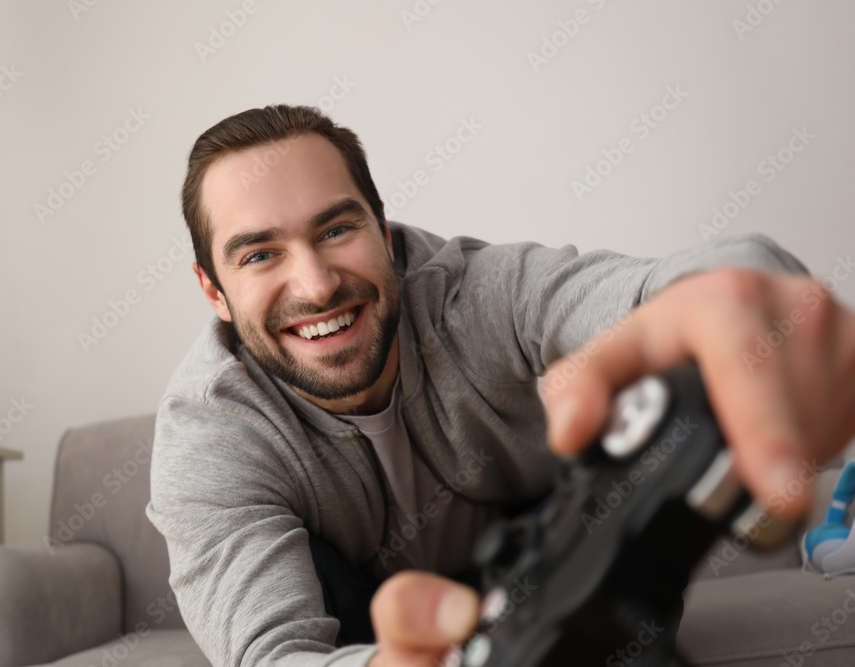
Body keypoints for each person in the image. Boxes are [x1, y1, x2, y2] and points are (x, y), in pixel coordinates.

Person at [146, 104, 855, 667]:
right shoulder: (208, 436)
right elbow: (273, 655)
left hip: (565, 595)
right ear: (213, 289)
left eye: (335, 229)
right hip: (378, 640)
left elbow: (656, 293)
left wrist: (752, 299)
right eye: (261, 253)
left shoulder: (480, 294)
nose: (316, 283)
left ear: (383, 231)